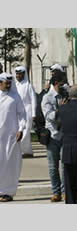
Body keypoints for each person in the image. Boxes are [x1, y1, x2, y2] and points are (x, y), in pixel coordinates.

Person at [41, 71, 68, 202]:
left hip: (64, 134)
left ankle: (65, 192)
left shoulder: (64, 96)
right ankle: (56, 192)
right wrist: (61, 109)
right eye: (61, 84)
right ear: (55, 83)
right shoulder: (47, 98)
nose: (63, 87)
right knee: (53, 167)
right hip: (52, 136)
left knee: (65, 165)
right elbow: (49, 116)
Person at [0, 73, 26, 202]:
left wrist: (21, 129)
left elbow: (22, 114)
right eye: (6, 83)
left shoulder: (15, 97)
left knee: (10, 164)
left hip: (11, 137)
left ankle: (7, 192)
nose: (9, 85)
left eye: (10, 83)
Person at [14, 66, 37, 158]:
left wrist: (34, 113)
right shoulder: (14, 85)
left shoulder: (28, 86)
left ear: (24, 74)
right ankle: (26, 151)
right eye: (17, 74)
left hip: (27, 111)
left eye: (20, 74)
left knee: (26, 132)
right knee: (18, 131)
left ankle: (25, 151)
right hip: (17, 112)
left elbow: (33, 100)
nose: (18, 76)